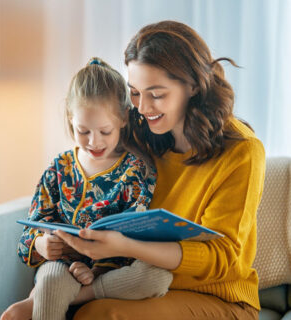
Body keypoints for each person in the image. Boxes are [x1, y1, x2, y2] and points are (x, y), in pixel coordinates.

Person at [54, 20, 265, 319]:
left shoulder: (241, 150)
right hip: (141, 284)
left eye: (156, 94)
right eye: (135, 93)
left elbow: (223, 258)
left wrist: (127, 246)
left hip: (218, 297)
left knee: (101, 314)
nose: (142, 108)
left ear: (193, 85)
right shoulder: (141, 134)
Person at [0, 57, 173, 320]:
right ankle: (50, 294)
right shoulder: (60, 168)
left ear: (124, 119)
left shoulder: (136, 171)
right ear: (71, 120)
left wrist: (95, 273)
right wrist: (41, 245)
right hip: (61, 266)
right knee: (51, 279)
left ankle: (60, 298)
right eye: (83, 131)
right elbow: (30, 229)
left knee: (157, 277)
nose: (94, 142)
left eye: (105, 131)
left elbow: (135, 238)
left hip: (110, 273)